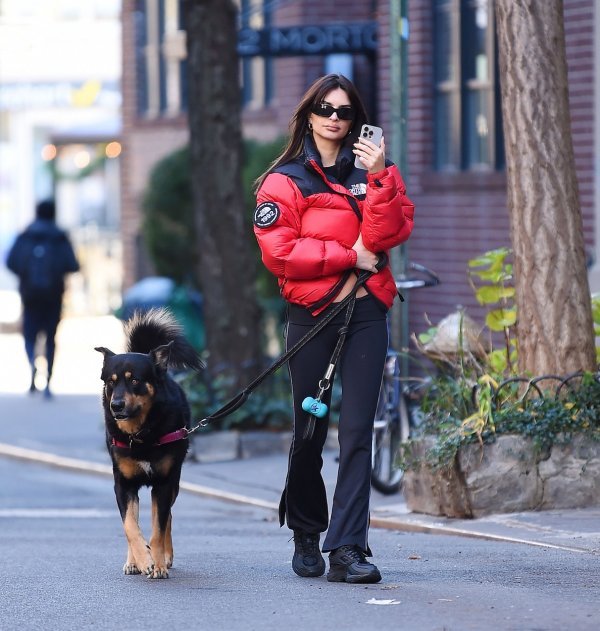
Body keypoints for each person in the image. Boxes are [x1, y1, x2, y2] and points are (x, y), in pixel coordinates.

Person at [253, 74, 415, 583]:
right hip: (313, 316)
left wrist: (382, 174)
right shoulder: (284, 181)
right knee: (309, 430)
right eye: (325, 108)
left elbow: (393, 230)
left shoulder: (375, 173)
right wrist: (350, 256)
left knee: (357, 432)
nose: (334, 118)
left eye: (345, 112)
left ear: (356, 121)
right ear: (308, 114)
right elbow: (280, 255)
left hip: (366, 313)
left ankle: (348, 548)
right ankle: (306, 531)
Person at [6, 199, 80, 398]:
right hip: (53, 295)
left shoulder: (26, 235)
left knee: (29, 333)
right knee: (50, 337)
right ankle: (48, 381)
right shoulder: (59, 237)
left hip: (29, 294)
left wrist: (26, 275)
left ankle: (32, 363)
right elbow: (73, 264)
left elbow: (11, 261)